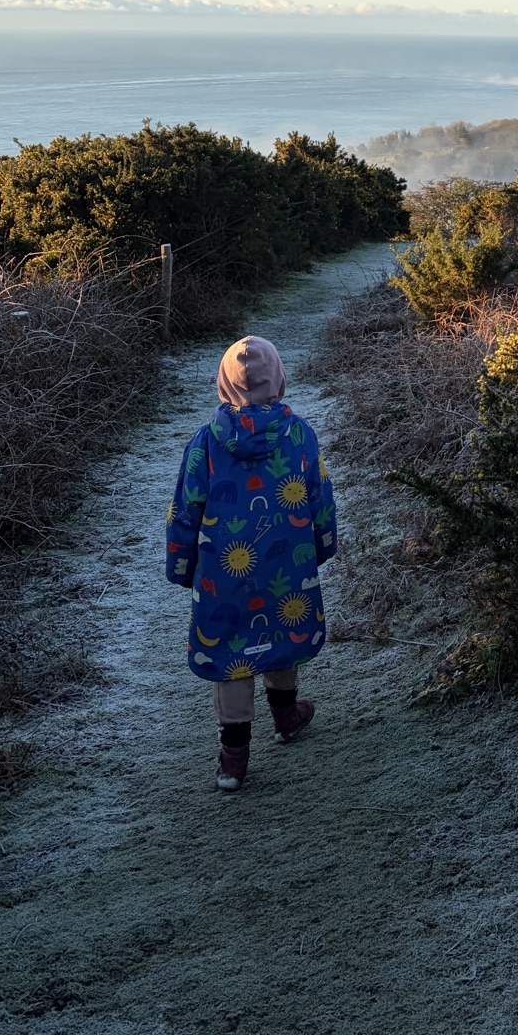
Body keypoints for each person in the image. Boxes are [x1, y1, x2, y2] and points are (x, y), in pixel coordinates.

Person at [165, 335, 339, 790]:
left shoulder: (206, 442)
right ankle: (286, 715)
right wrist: (322, 546)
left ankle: (233, 759)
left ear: (223, 383)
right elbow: (320, 495)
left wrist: (181, 564)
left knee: (229, 650)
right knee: (283, 626)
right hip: (287, 563)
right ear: (278, 379)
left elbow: (185, 509)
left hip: (224, 573)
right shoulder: (299, 434)